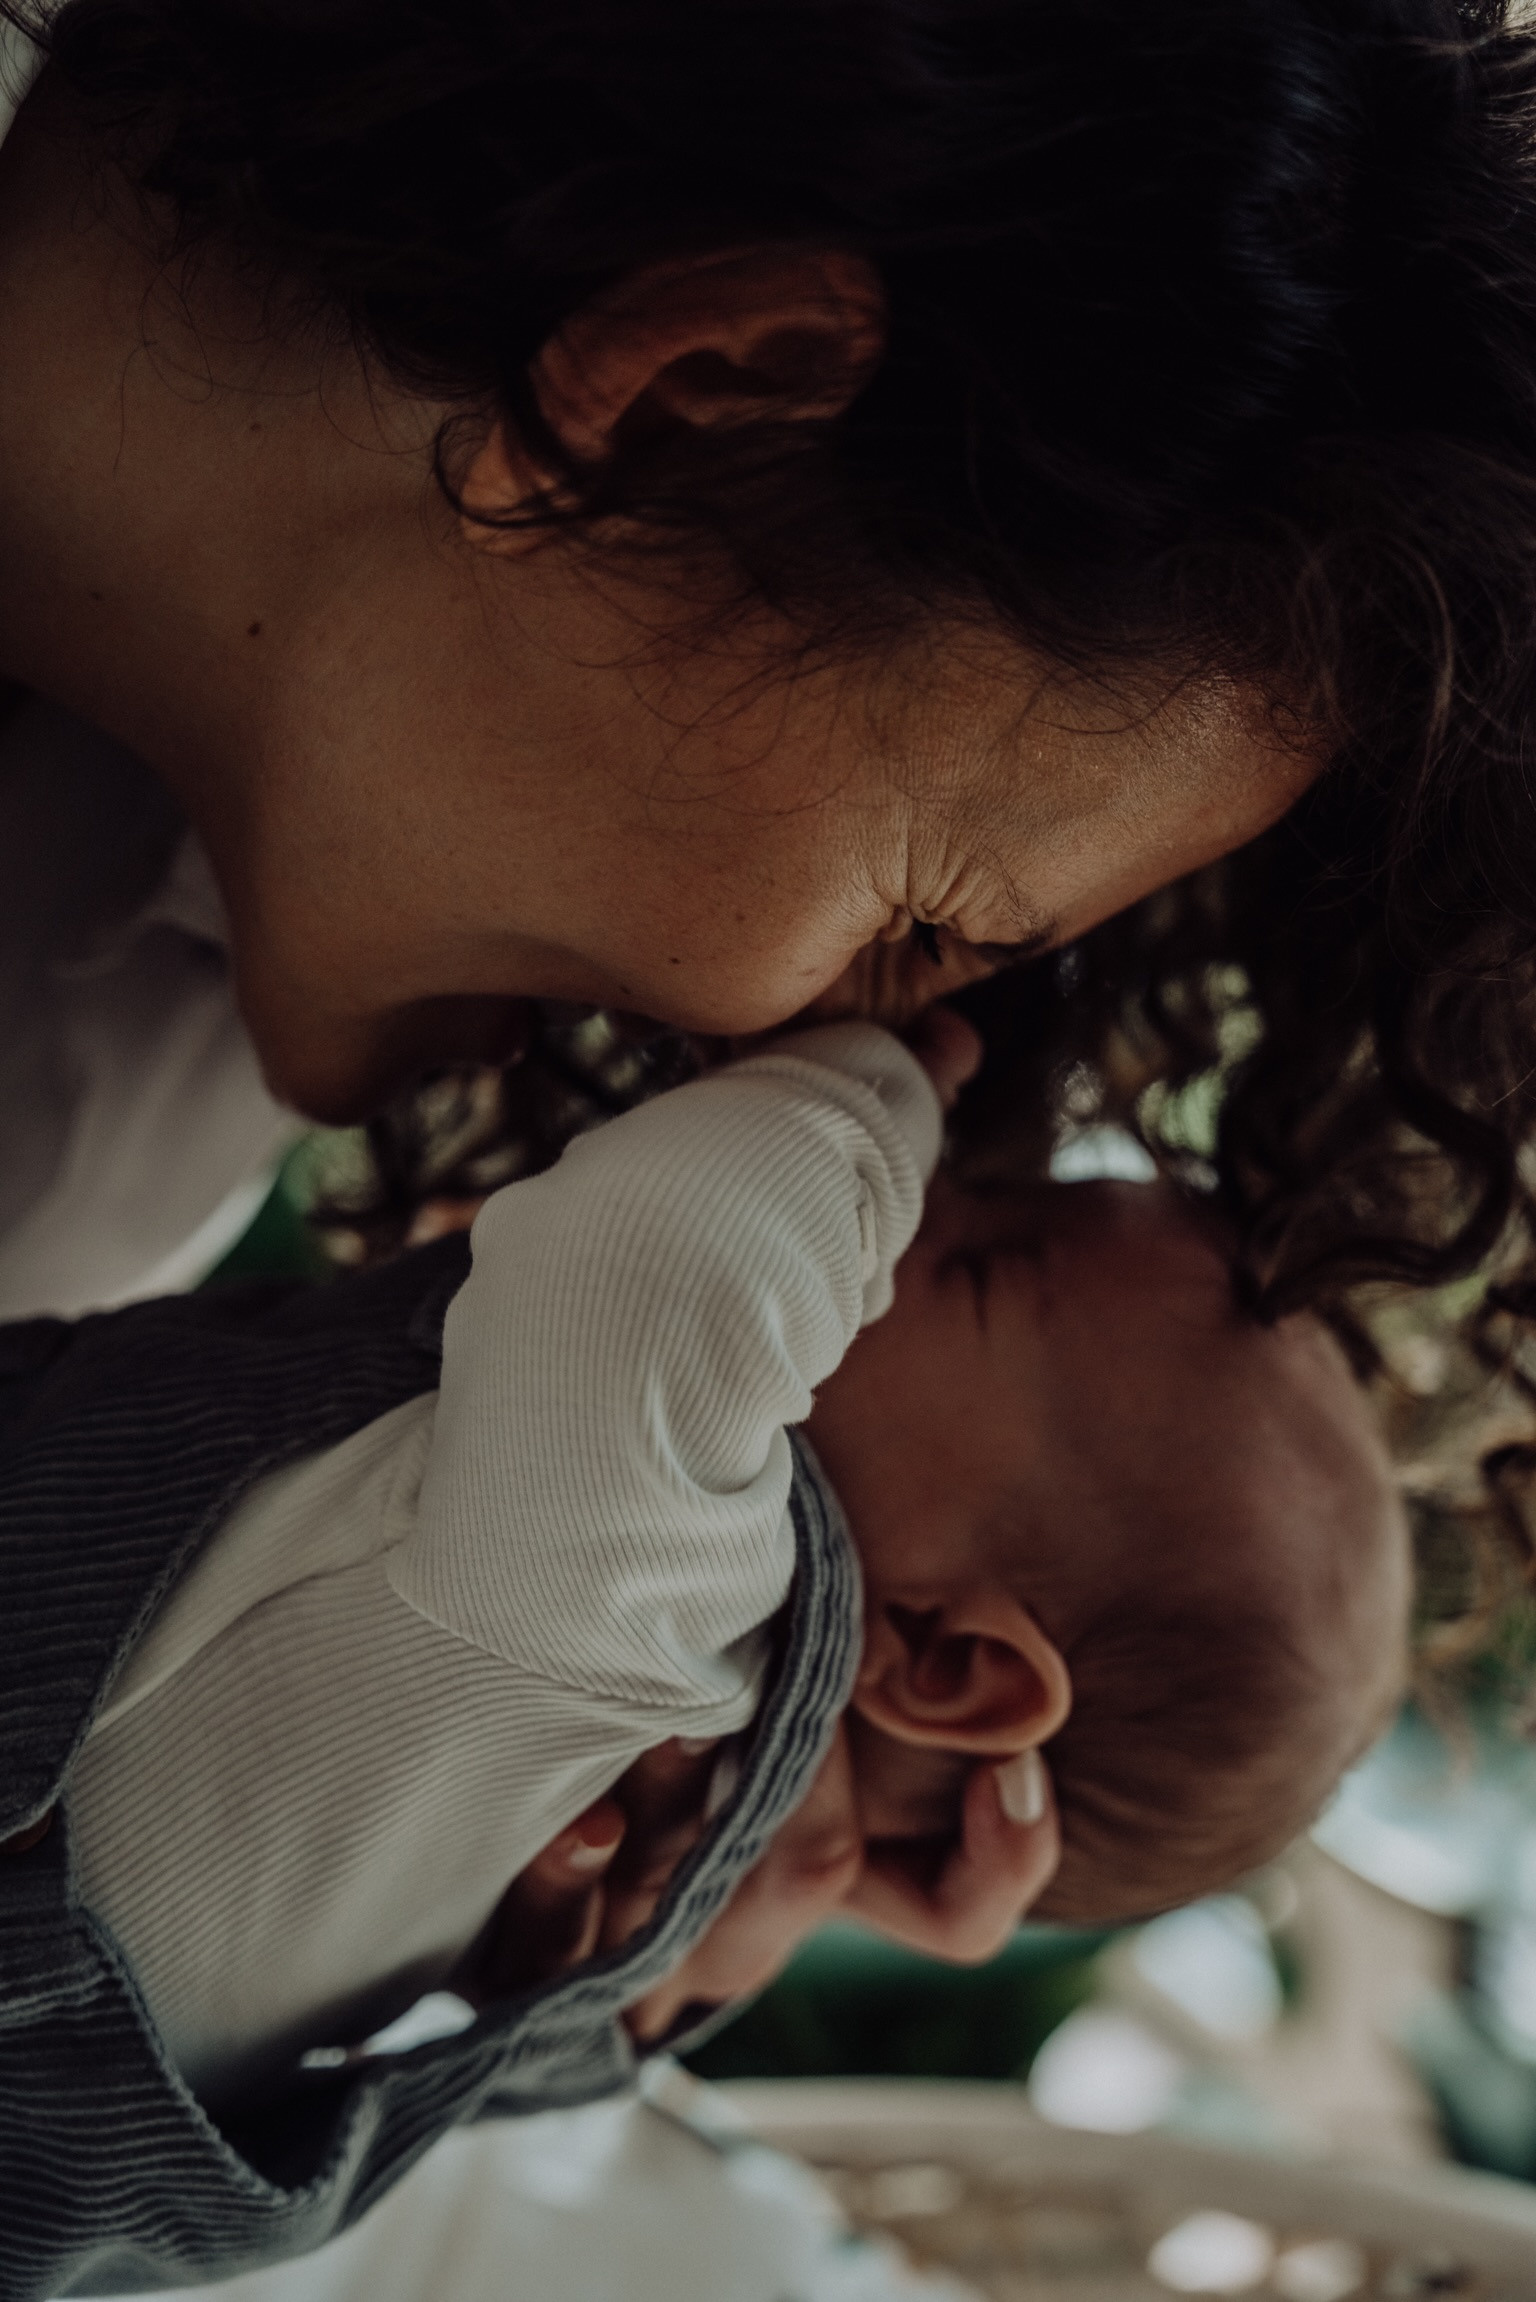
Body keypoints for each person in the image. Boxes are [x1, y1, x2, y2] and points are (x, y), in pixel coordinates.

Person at [0, 1009, 1408, 2289]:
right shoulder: (635, 1808)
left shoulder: (653, 1593)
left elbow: (663, 1250)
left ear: (947, 1661)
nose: (925, 1205)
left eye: (982, 1262)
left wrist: (878, 1083)